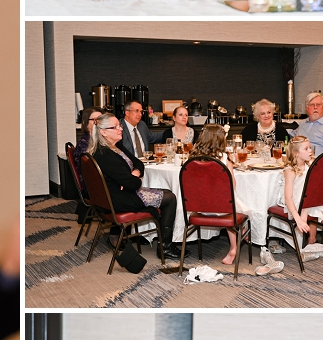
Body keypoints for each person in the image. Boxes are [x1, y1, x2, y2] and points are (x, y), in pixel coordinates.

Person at [87, 114, 179, 259]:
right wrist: (131, 179)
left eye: (119, 125)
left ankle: (162, 244)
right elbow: (133, 184)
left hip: (116, 195)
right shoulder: (105, 155)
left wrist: (133, 174)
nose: (120, 129)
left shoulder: (115, 146)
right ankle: (166, 248)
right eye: (115, 127)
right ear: (103, 132)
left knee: (166, 193)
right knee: (170, 197)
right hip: (119, 199)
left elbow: (139, 163)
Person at [188, 125, 242, 267]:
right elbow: (232, 186)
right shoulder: (224, 158)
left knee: (228, 204)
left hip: (198, 207)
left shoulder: (191, 158)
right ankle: (233, 248)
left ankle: (242, 234)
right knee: (234, 206)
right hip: (221, 209)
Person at [281, 136, 323, 246]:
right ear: (296, 153)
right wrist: (297, 219)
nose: (310, 151)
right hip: (293, 199)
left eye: (310, 147)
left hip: (309, 197)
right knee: (307, 190)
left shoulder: (311, 163)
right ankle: (307, 214)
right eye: (306, 149)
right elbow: (288, 197)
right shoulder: (290, 171)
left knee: (319, 183)